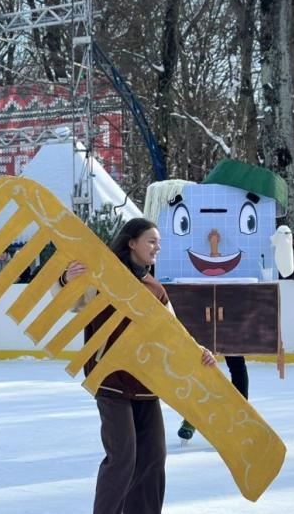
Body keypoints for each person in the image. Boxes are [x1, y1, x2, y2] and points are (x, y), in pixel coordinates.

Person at [61, 218, 216, 514]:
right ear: (132, 242)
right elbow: (74, 301)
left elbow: (175, 333)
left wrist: (199, 351)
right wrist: (68, 280)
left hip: (147, 382)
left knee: (154, 457)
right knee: (123, 457)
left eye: (158, 242)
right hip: (110, 379)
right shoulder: (103, 277)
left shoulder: (156, 289)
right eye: (151, 241)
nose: (157, 247)